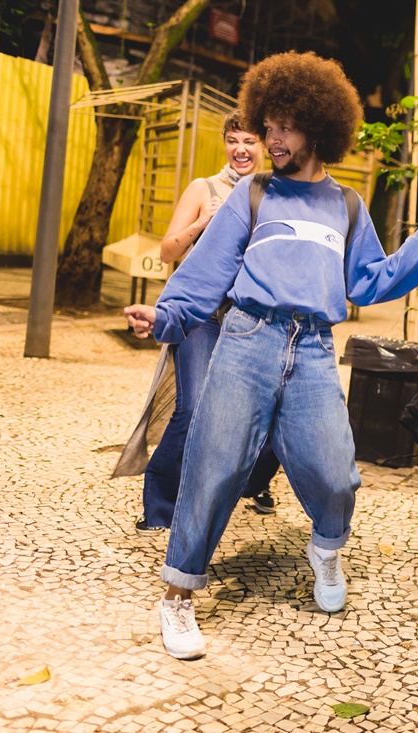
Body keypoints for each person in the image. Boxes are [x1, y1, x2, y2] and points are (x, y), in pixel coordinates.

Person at [123, 51, 418, 660]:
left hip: (315, 349)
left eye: (286, 127)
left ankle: (326, 550)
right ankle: (178, 596)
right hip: (247, 340)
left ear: (318, 129)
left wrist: (416, 253)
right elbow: (205, 273)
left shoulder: (347, 206)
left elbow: (366, 282)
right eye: (267, 125)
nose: (272, 139)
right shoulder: (251, 194)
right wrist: (164, 315)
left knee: (336, 474)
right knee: (213, 467)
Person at [118, 112, 281, 536]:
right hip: (201, 314)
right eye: (233, 140)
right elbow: (167, 252)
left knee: (270, 413)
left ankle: (252, 483)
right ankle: (160, 505)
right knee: (191, 408)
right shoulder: (203, 188)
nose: (240, 149)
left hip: (251, 316)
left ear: (264, 144)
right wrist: (202, 221)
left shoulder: (275, 192)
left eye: (249, 140)